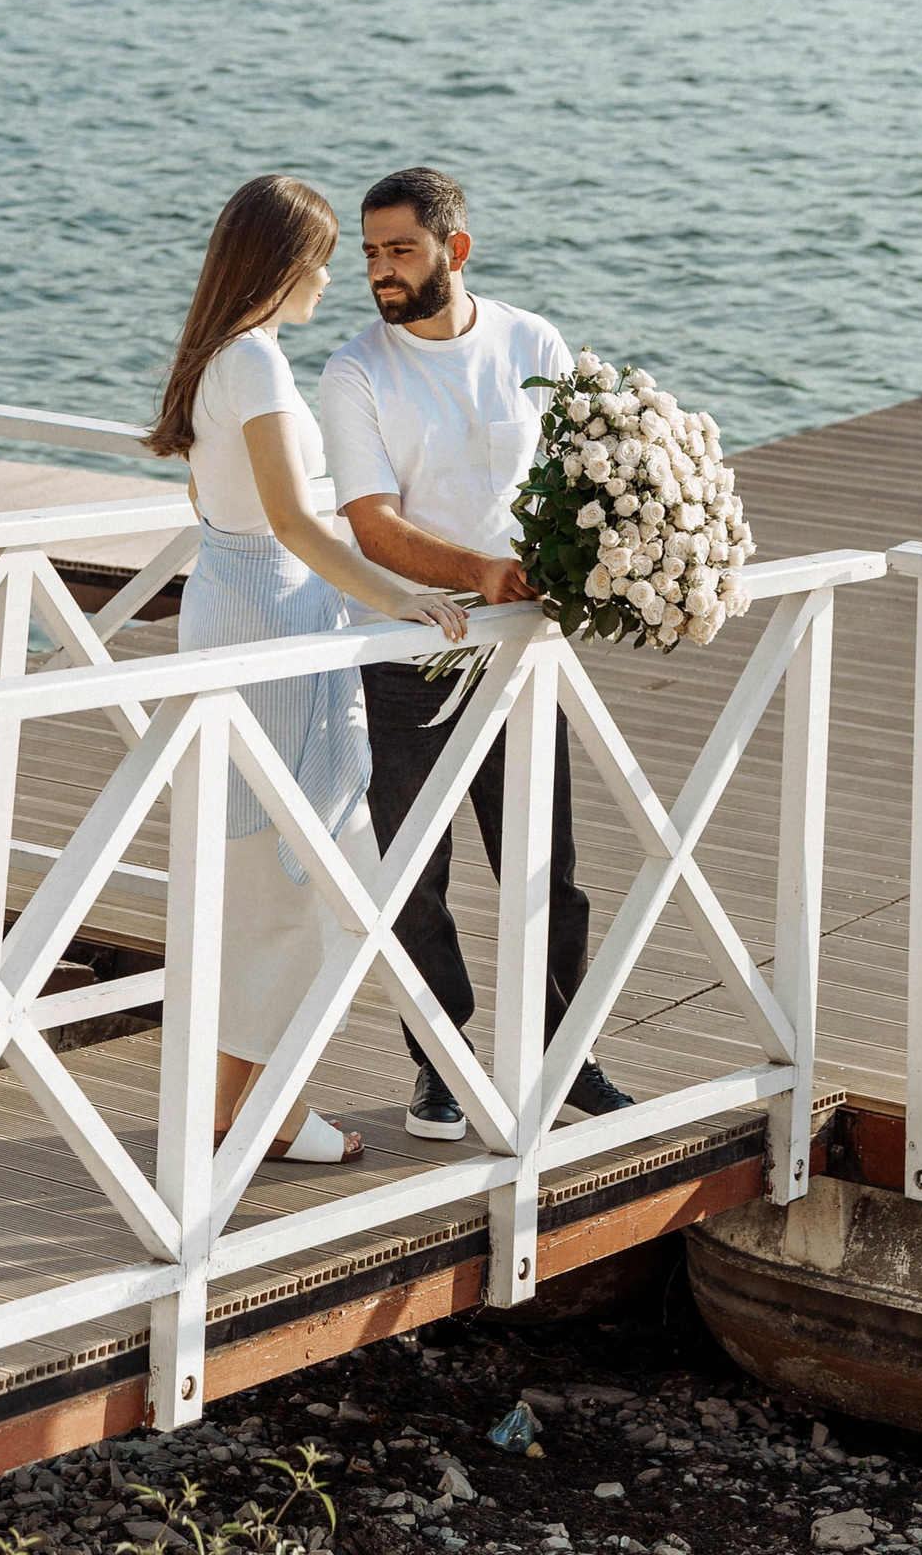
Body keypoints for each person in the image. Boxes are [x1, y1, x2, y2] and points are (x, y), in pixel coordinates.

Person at [146, 173, 468, 1163]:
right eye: (324, 261)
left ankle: (245, 1108)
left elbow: (229, 508)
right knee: (310, 883)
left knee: (280, 883)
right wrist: (395, 596)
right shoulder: (254, 365)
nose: (333, 280)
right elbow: (291, 520)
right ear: (283, 264)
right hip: (270, 629)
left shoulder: (220, 360)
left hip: (242, 612)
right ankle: (265, 1112)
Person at [319, 165, 632, 1141]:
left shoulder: (533, 344)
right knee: (415, 878)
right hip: (405, 651)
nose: (381, 270)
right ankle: (440, 1064)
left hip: (521, 653)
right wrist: (478, 571)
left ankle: (564, 1055)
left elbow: (581, 482)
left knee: (549, 869)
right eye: (371, 252)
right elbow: (373, 527)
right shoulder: (354, 372)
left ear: (454, 249)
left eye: (401, 250)